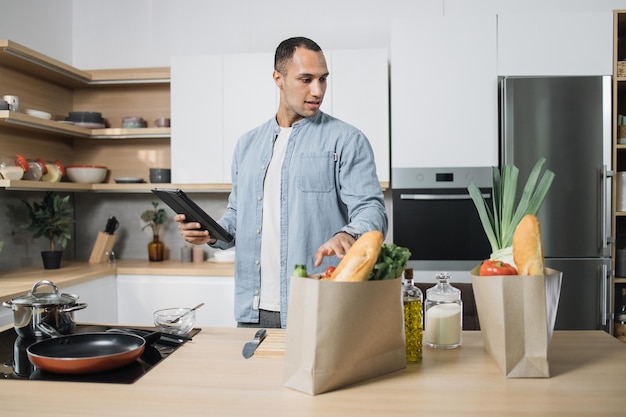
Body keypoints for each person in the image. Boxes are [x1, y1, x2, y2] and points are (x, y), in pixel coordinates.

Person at [176, 36, 387, 329]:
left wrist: (349, 233)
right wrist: (209, 234)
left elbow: (372, 211)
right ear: (278, 78)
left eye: (323, 79)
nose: (318, 90)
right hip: (253, 309)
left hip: (318, 305)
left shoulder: (347, 140)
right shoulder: (247, 145)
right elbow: (237, 218)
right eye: (306, 79)